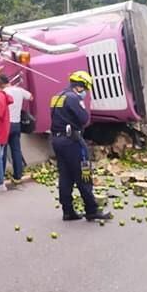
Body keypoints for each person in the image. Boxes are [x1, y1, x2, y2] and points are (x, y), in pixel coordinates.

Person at [50, 71, 112, 222]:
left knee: (65, 176)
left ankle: (68, 211)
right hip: (73, 141)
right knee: (84, 174)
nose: (85, 93)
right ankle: (91, 210)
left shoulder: (56, 97)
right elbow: (84, 119)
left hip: (57, 140)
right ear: (80, 87)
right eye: (85, 89)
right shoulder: (73, 98)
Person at [0, 74, 33, 184]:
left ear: (0, 84)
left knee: (2, 150)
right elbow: (31, 97)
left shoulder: (3, 92)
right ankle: (18, 175)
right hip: (16, 124)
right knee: (16, 150)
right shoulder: (19, 90)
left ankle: (1, 175)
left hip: (5, 124)